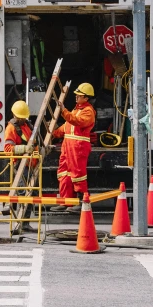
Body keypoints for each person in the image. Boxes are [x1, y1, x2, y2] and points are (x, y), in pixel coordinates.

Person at [50, 83, 96, 213]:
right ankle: (66, 201)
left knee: (78, 174)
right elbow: (66, 127)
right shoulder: (77, 110)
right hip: (68, 147)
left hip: (78, 147)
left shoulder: (88, 111)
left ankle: (82, 202)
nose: (76, 97)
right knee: (63, 173)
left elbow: (77, 122)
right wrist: (52, 133)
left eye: (79, 95)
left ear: (86, 98)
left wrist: (64, 110)